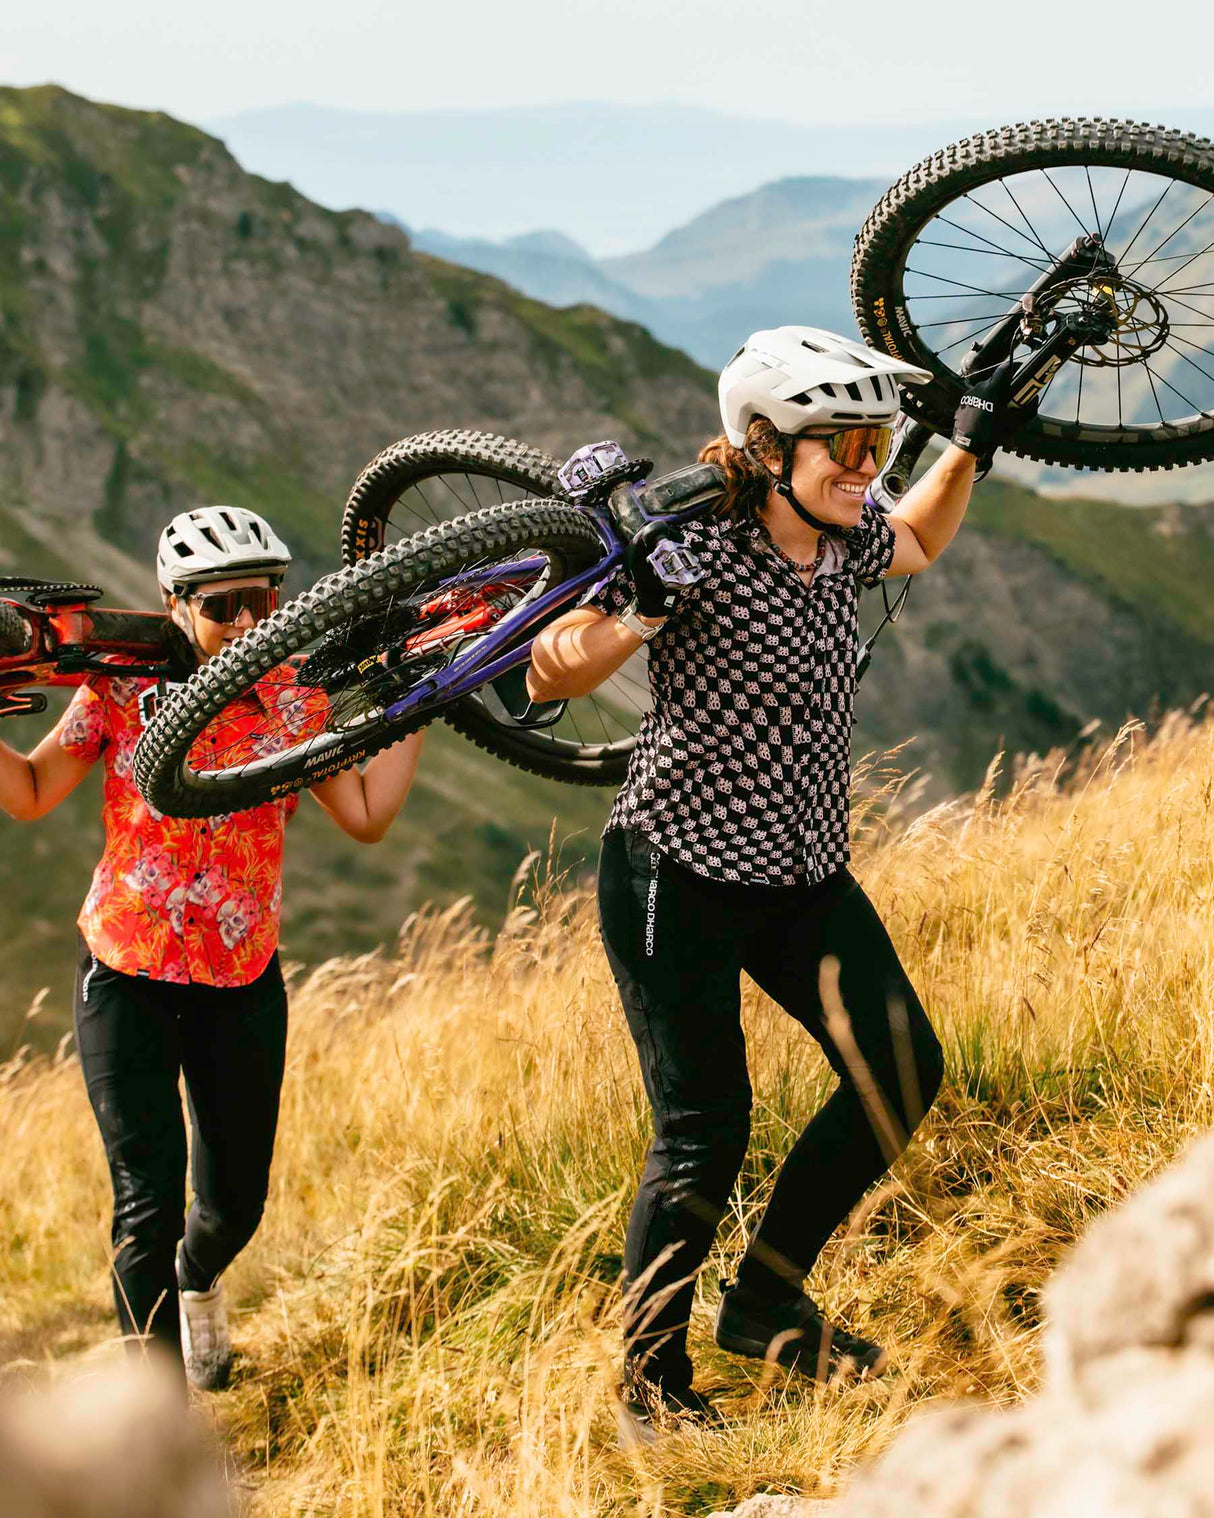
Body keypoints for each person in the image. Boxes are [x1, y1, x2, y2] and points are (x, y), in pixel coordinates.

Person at [527, 326, 1027, 1439]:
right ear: (764, 446)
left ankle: (761, 1302)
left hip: (798, 868)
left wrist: (967, 450)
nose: (865, 463)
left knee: (898, 1067)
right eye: (843, 444)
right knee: (705, 1126)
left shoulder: (840, 536)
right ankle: (648, 1386)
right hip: (678, 867)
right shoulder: (693, 543)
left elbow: (917, 544)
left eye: (874, 441)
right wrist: (638, 610)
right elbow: (547, 667)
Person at [0, 506, 425, 1391]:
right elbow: (35, 789)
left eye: (264, 599)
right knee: (145, 1203)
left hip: (241, 977)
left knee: (236, 1204)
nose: (247, 623)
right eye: (223, 605)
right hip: (126, 970)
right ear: (174, 603)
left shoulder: (299, 703)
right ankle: (156, 1433)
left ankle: (200, 1282)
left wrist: (420, 693)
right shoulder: (119, 690)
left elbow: (367, 817)